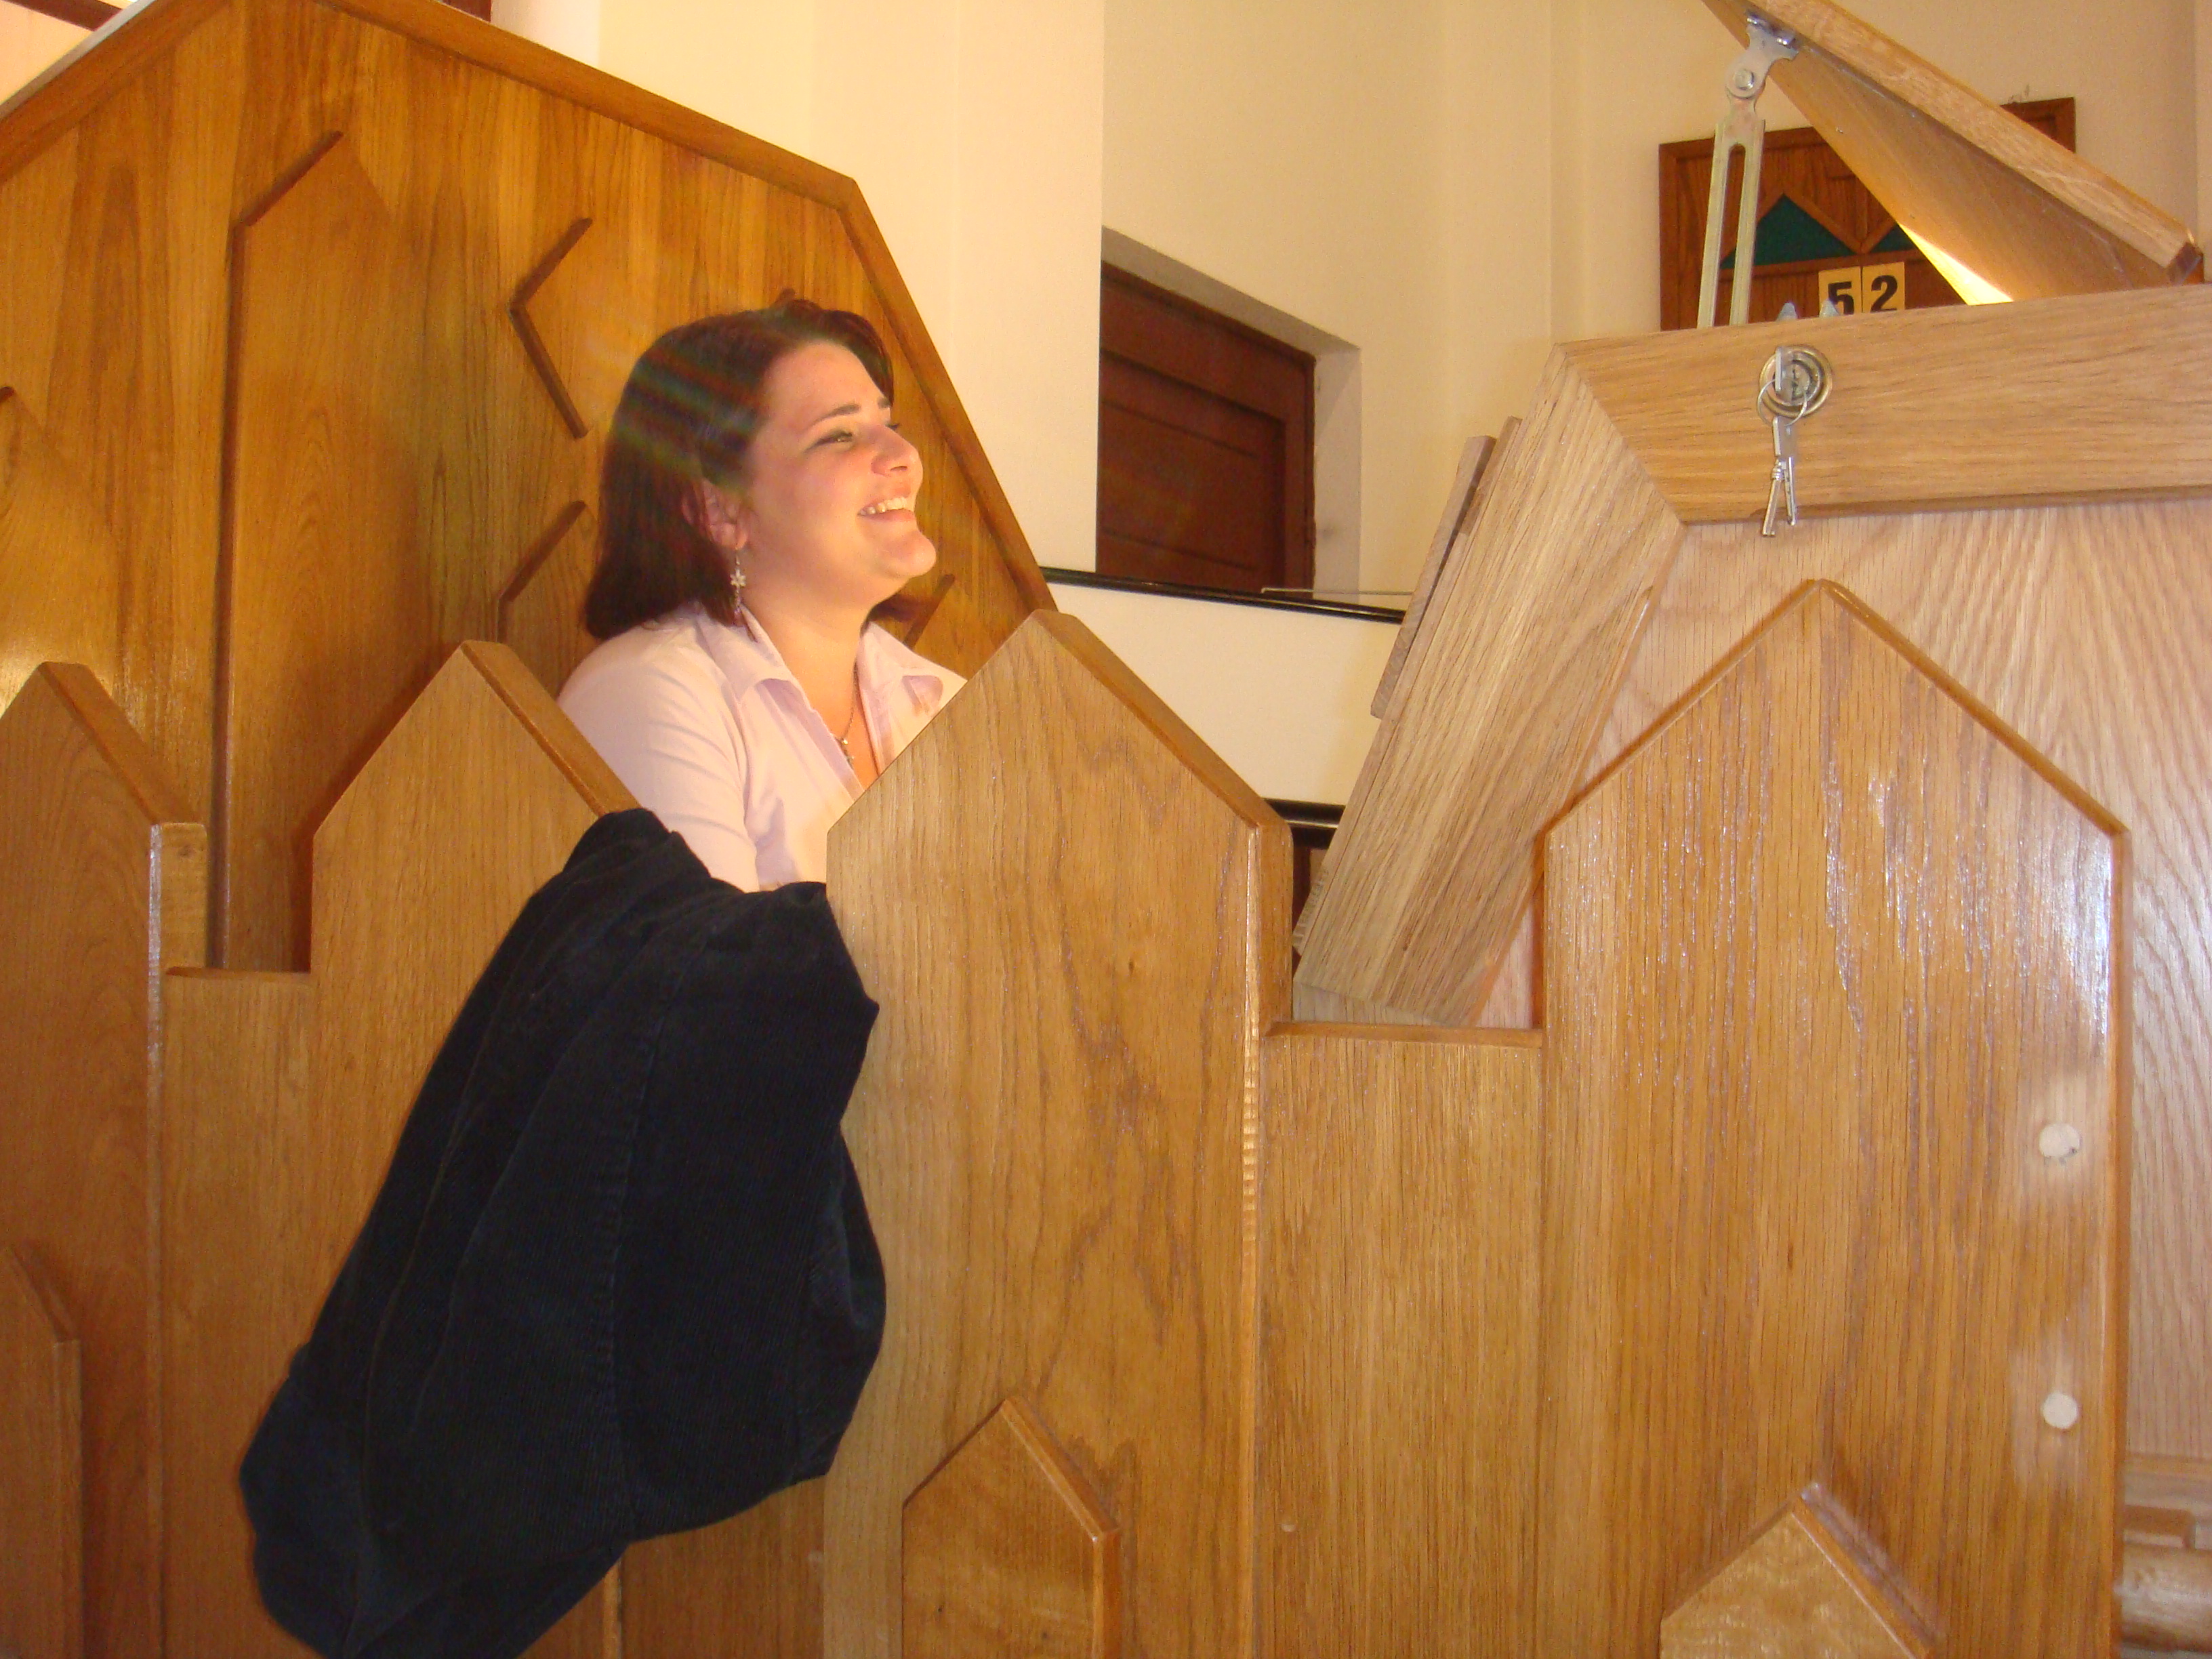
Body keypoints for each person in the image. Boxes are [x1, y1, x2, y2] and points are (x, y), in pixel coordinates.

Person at [559, 298, 963, 889]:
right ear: (719, 509)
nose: (905, 458)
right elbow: (712, 952)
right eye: (840, 435)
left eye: (891, 427)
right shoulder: (648, 696)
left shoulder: (943, 700)